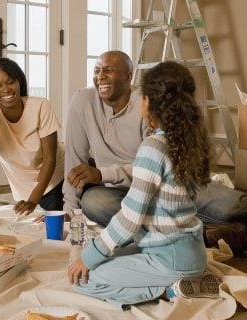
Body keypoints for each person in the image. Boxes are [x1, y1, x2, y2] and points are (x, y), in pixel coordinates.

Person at [63, 50, 247, 278]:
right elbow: (74, 164)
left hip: (166, 183)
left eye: (109, 70)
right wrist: (67, 212)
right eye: (97, 70)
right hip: (120, 192)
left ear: (129, 78)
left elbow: (153, 162)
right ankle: (208, 233)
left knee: (234, 204)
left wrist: (103, 172)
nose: (100, 76)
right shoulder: (82, 102)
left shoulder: (148, 105)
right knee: (95, 201)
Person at [67, 61, 222, 307]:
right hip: (191, 252)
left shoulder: (153, 148)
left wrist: (89, 257)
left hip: (168, 259)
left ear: (148, 102)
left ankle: (169, 292)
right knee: (107, 256)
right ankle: (185, 282)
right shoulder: (190, 142)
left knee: (85, 278)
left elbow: (129, 219)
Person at [0, 57, 64, 224]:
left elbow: (50, 158)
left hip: (60, 176)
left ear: (19, 81)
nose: (5, 89)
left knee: (78, 212)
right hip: (28, 192)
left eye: (10, 82)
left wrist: (33, 201)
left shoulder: (40, 105)